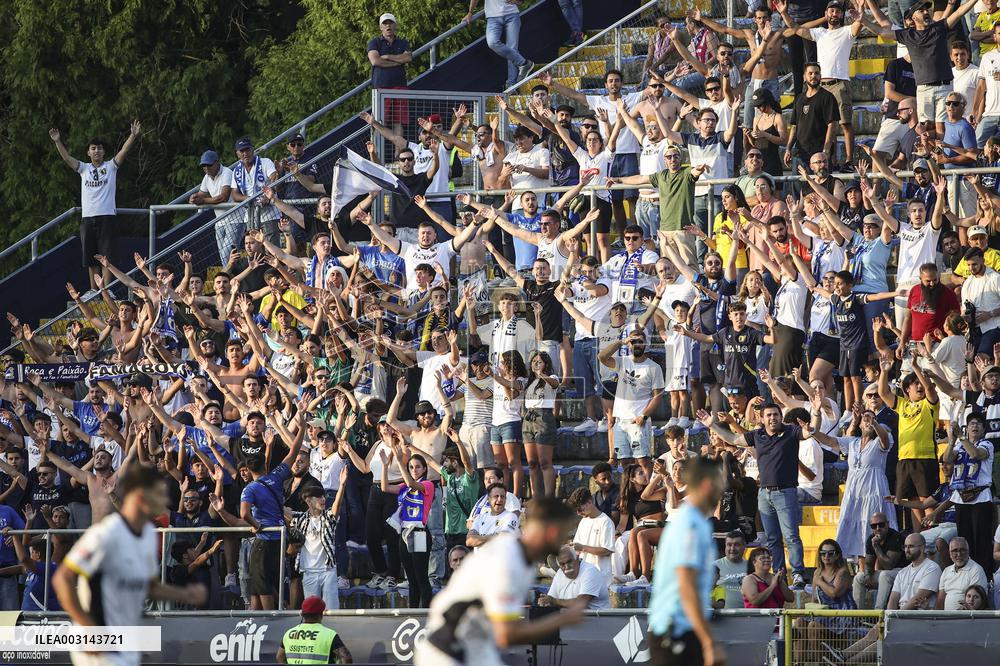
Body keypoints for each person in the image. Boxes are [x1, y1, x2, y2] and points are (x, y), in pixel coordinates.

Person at [52, 464, 208, 666]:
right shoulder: (107, 533)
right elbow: (63, 578)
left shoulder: (145, 537)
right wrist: (88, 627)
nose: (162, 500)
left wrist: (182, 595)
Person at [415, 497, 583, 666]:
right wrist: (563, 619)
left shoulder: (521, 558)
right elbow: (506, 635)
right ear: (553, 532)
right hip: (445, 652)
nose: (562, 541)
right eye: (563, 534)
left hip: (475, 649)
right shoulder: (507, 560)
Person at [700, 402, 813, 588]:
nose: (772, 418)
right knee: (773, 538)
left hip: (786, 491)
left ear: (780, 416)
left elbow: (807, 433)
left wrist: (814, 416)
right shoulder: (757, 435)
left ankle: (798, 574)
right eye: (768, 415)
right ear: (761, 418)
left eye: (775, 414)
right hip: (764, 494)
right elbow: (734, 439)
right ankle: (779, 574)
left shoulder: (791, 431)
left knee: (791, 536)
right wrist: (712, 425)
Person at [647, 456, 726, 666]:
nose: (723, 490)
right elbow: (686, 585)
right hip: (675, 630)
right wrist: (709, 642)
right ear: (708, 484)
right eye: (721, 484)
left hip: (681, 629)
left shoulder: (694, 521)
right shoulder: (690, 525)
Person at [48, 120, 141, 292]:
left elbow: (124, 151)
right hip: (88, 218)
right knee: (90, 257)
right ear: (88, 152)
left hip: (107, 217)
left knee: (107, 257)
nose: (96, 150)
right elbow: (67, 158)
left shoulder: (111, 167)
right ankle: (93, 290)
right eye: (93, 148)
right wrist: (57, 141)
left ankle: (106, 289)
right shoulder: (83, 168)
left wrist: (133, 135)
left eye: (99, 148)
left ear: (104, 152)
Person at [465, 0, 534, 89]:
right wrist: (470, 12)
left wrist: (520, 1)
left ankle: (511, 85)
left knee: (512, 49)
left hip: (512, 15)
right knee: (492, 42)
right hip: (493, 18)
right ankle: (523, 63)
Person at [368, 13, 412, 136]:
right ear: (380, 27)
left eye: (390, 23)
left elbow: (408, 57)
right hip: (381, 88)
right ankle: (376, 153)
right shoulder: (374, 42)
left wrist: (387, 57)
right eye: (385, 23)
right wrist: (398, 62)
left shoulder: (403, 42)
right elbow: (375, 61)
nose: (388, 26)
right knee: (379, 122)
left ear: (395, 25)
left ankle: (400, 154)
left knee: (399, 122)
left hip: (400, 87)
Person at [190, 150, 237, 263]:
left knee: (227, 253)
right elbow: (201, 194)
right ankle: (230, 278)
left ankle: (228, 278)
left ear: (217, 163)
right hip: (219, 220)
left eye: (209, 164)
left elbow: (223, 197)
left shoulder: (227, 172)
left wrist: (202, 200)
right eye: (204, 165)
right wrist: (194, 197)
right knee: (224, 254)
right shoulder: (207, 177)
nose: (206, 168)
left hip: (235, 219)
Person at [276, 595, 353, 664]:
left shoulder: (289, 633)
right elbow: (346, 659)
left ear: (302, 614)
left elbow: (280, 657)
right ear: (321, 614)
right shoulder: (329, 635)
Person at [538, 545, 610, 610]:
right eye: (562, 564)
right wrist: (545, 601)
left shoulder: (590, 571)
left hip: (597, 621)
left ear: (577, 558)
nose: (567, 567)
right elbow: (551, 599)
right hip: (572, 621)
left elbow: (581, 603)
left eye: (569, 562)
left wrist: (554, 601)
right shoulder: (560, 573)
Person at [567, 487, 615, 583]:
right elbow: (578, 550)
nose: (579, 513)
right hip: (584, 575)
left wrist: (582, 548)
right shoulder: (583, 521)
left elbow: (607, 551)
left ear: (589, 502)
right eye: (576, 511)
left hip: (599, 576)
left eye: (580, 509)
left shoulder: (606, 522)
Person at [936, 537, 988, 609]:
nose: (959, 554)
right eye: (954, 551)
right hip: (947, 618)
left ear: (968, 551)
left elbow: (977, 602)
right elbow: (940, 600)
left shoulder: (976, 570)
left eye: (962, 550)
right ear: (949, 553)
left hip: (966, 617)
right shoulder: (946, 571)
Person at [714, 530, 748, 609]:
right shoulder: (714, 566)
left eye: (737, 545)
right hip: (721, 617)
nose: (732, 549)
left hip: (747, 616)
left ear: (744, 546)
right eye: (729, 545)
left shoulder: (752, 566)